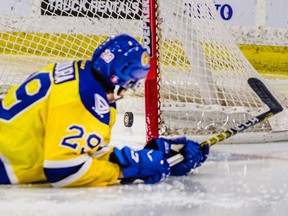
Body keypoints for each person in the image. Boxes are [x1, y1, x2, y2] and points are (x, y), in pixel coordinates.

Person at [0, 34, 209, 187]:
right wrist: (123, 171)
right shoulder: (84, 99)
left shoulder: (81, 74)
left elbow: (84, 150)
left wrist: (147, 154)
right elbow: (63, 171)